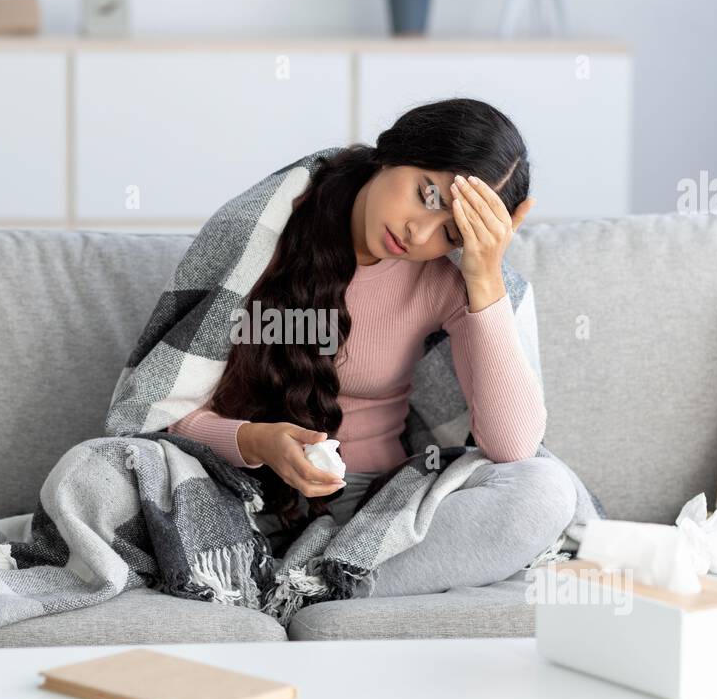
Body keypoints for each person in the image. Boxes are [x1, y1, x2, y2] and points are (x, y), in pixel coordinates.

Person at [169, 98, 577, 597]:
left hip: (379, 507)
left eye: (450, 232)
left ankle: (314, 586)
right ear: (394, 152)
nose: (419, 232)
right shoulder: (263, 232)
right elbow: (171, 415)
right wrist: (257, 442)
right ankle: (289, 579)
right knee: (102, 469)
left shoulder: (447, 280)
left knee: (544, 489)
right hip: (242, 502)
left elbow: (511, 446)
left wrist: (485, 277)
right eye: (428, 196)